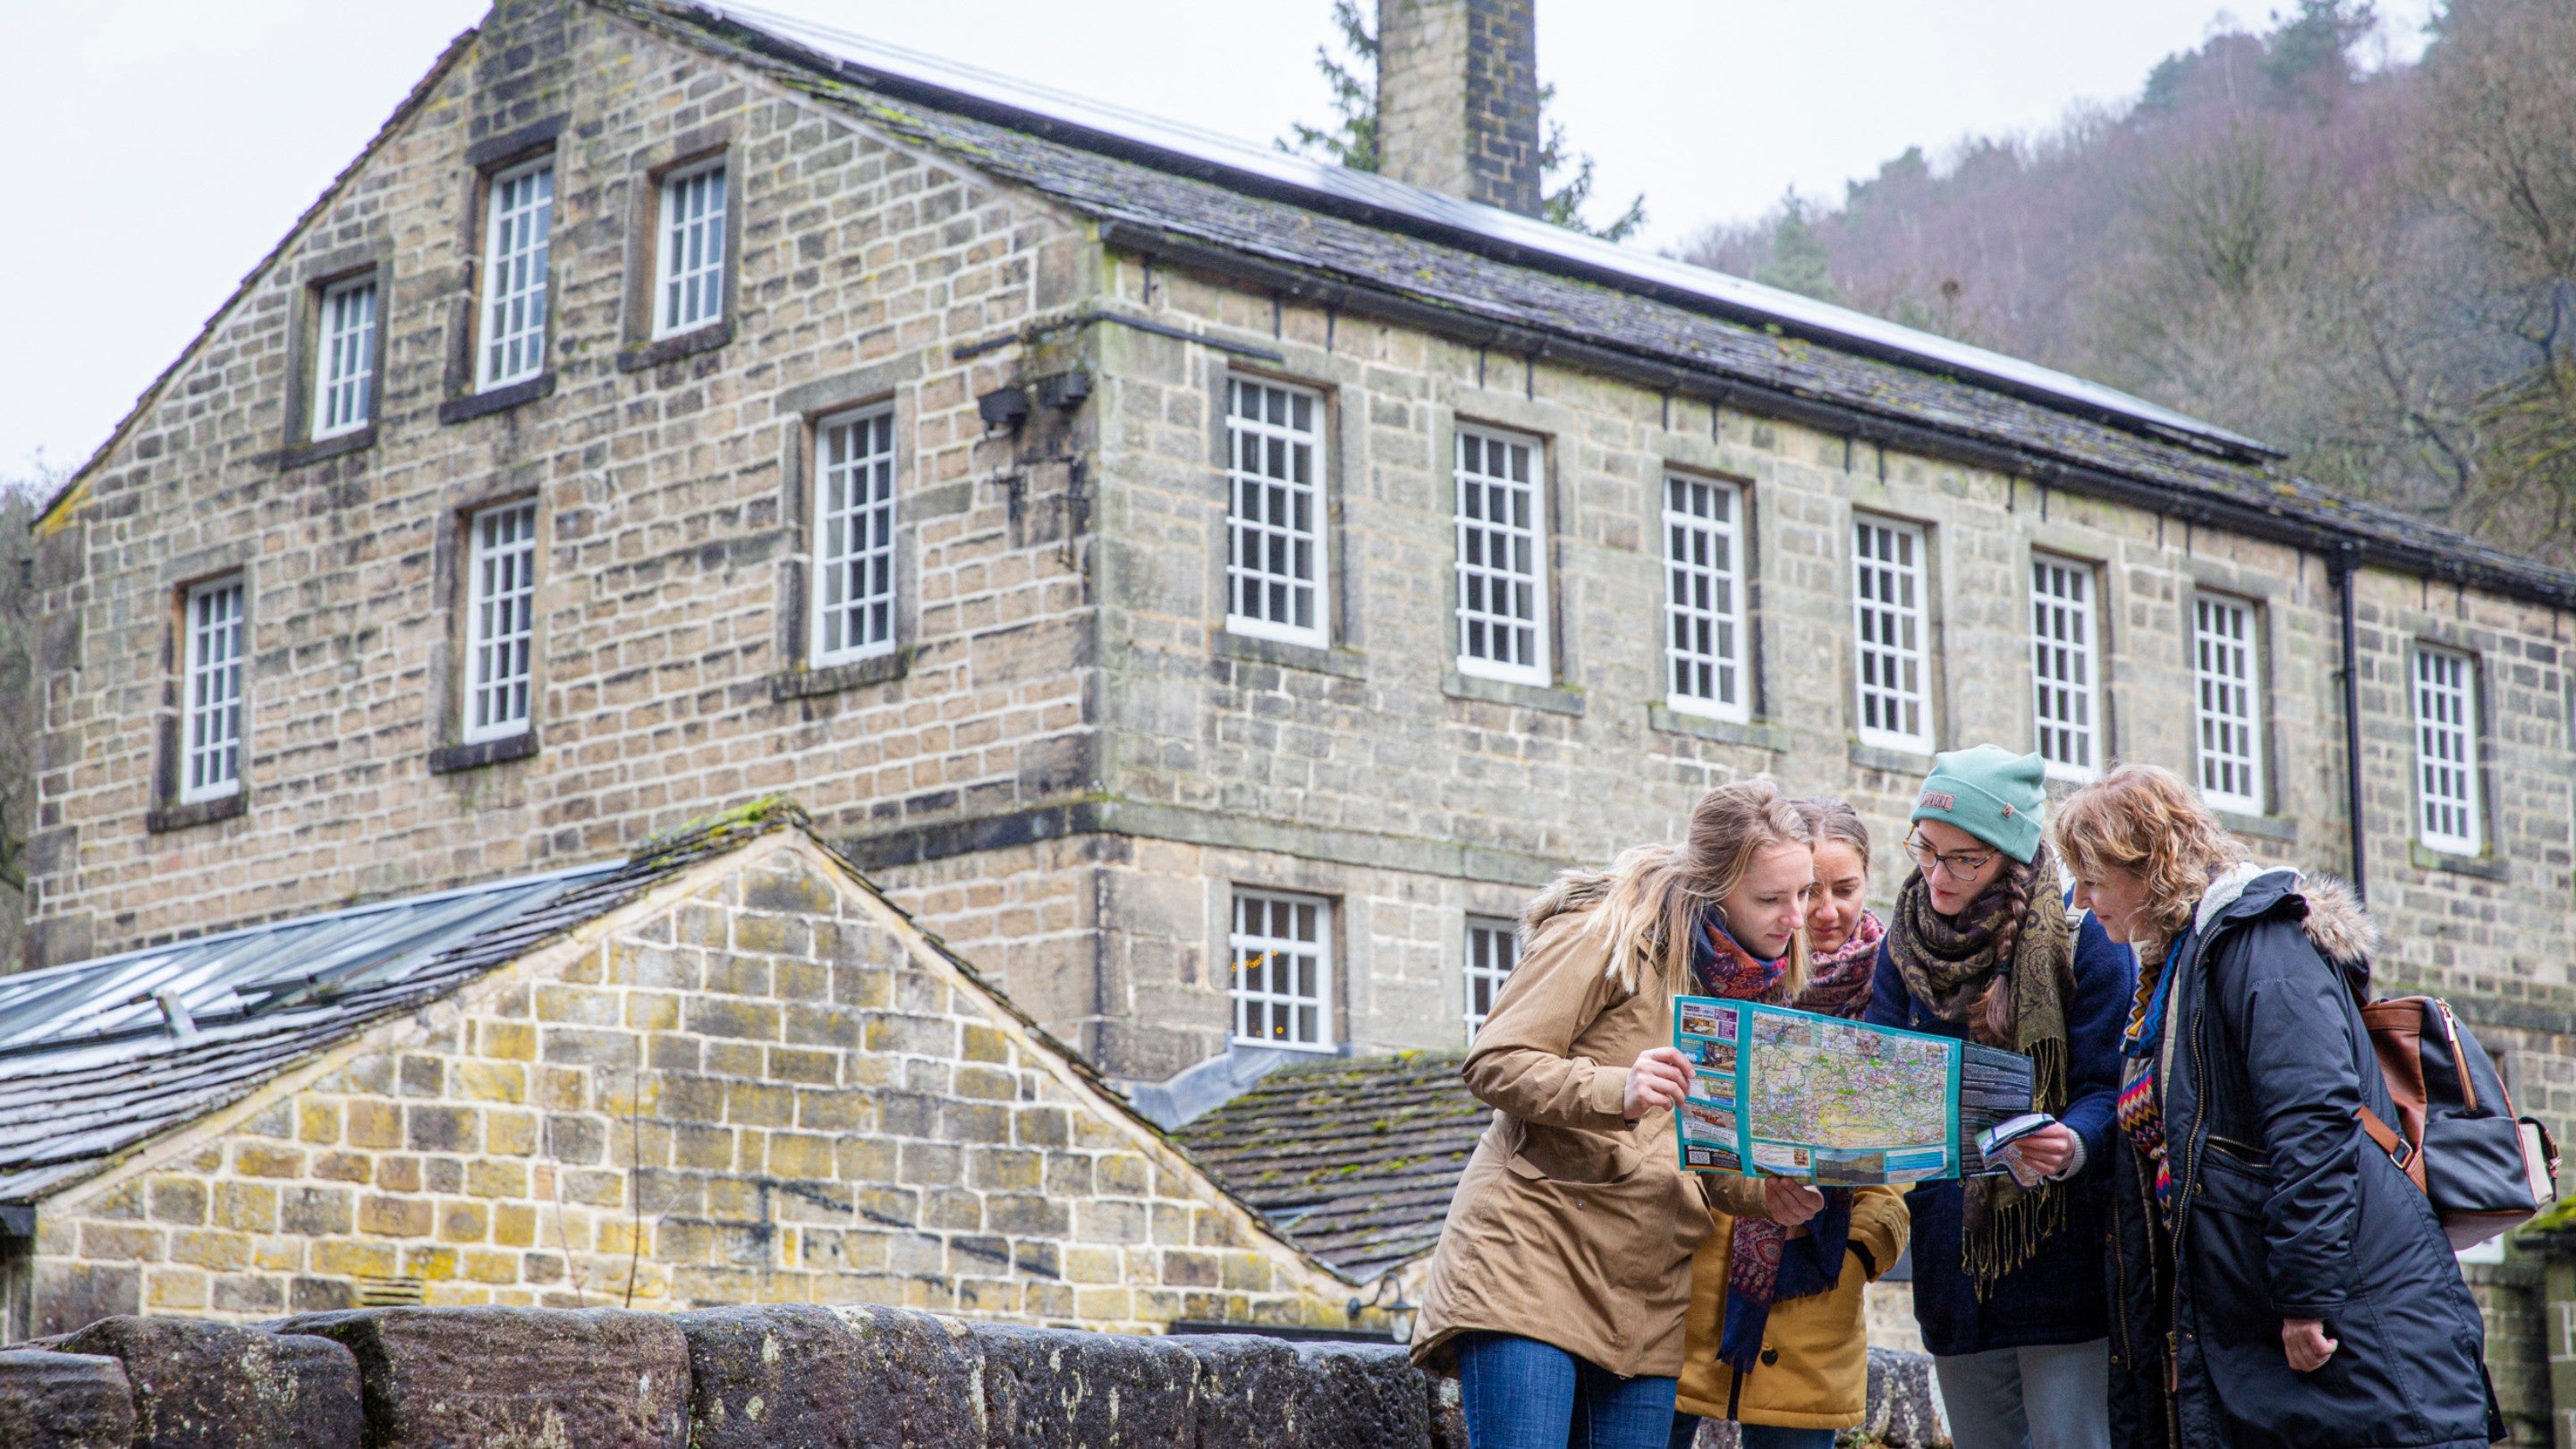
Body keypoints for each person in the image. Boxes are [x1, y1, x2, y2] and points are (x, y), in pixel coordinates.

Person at [2052, 765, 2497, 1449]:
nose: (2081, 900)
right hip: (2265, 1332)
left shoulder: (2262, 944)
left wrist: (2306, 1297)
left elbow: (2315, 1125)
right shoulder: (2184, 959)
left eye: (2091, 877)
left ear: (2148, 865)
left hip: (2352, 1332)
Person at [1411, 781, 1822, 1449]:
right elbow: (1494, 1060)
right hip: (1534, 1258)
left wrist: (1766, 1195)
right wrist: (1617, 1088)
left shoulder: (1757, 984)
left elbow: (1704, 1151)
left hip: (1647, 1294)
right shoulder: (1602, 932)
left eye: (1802, 893)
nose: (1796, 917)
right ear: (1712, 886)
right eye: (1772, 899)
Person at [1860, 746, 2132, 1449]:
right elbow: (1878, 1072)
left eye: (1963, 859)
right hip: (1955, 1264)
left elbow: (2110, 1085)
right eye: (1926, 849)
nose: (1936, 874)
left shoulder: (2083, 939)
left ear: (2010, 855)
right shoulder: (1904, 942)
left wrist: (2071, 1143)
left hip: (2059, 1257)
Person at [1669, 796, 1909, 1449]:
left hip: (1813, 1298)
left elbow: (1902, 1176)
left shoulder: (1892, 995)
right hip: (1692, 1292)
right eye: (1808, 890)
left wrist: (1854, 1252)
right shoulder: (1714, 968)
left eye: (1844, 889)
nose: (1822, 913)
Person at [1789, 796, 1885, 1018]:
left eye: (1845, 891)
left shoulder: (1898, 971)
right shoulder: (1743, 970)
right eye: (1809, 892)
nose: (1827, 913)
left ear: (1866, 878)